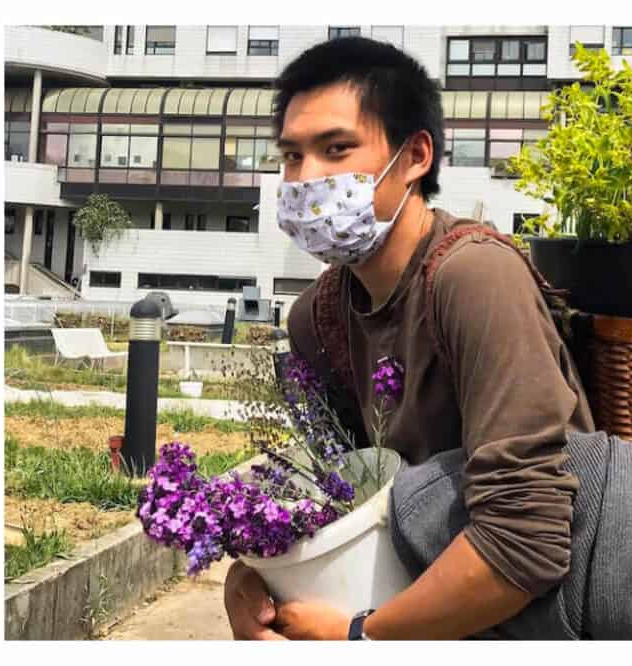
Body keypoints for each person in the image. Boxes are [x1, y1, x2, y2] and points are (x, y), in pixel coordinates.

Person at [224, 36, 592, 641]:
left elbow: (527, 543)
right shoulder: (316, 316)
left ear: (415, 155)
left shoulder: (475, 277)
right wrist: (256, 577)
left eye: (336, 149)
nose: (306, 179)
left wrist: (361, 636)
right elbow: (332, 498)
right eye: (292, 157)